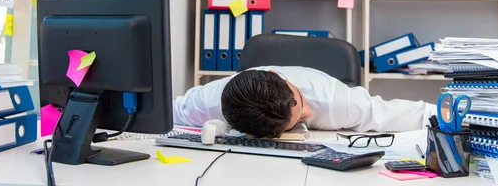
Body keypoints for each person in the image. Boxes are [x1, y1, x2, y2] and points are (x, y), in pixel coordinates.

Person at [173, 66, 437, 138]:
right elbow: (167, 114)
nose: (308, 112)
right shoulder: (205, 104)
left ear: (278, 76)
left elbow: (405, 114)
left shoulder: (334, 99)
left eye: (300, 102)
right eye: (297, 120)